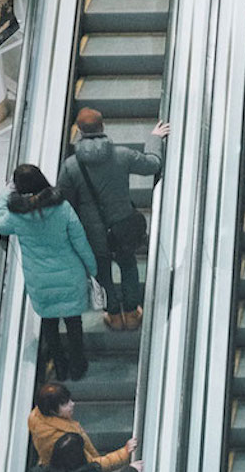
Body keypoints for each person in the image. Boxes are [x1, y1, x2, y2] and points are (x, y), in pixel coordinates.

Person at [57, 108, 165, 332]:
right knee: (128, 265)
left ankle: (113, 315)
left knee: (101, 271)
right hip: (122, 225)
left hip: (92, 233)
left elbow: (65, 202)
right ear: (102, 127)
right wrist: (154, 139)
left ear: (78, 131)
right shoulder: (122, 155)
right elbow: (153, 164)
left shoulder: (71, 166)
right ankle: (132, 313)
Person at [0, 165, 95, 381]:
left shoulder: (16, 215)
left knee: (49, 324)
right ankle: (78, 365)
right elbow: (80, 240)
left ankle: (60, 365)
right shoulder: (62, 207)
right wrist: (91, 268)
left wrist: (5, 194)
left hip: (39, 279)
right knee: (74, 323)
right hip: (69, 274)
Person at [28, 382, 135, 472]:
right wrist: (124, 454)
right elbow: (91, 466)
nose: (72, 404)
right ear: (52, 411)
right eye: (65, 404)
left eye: (69, 400)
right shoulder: (62, 440)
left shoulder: (39, 418)